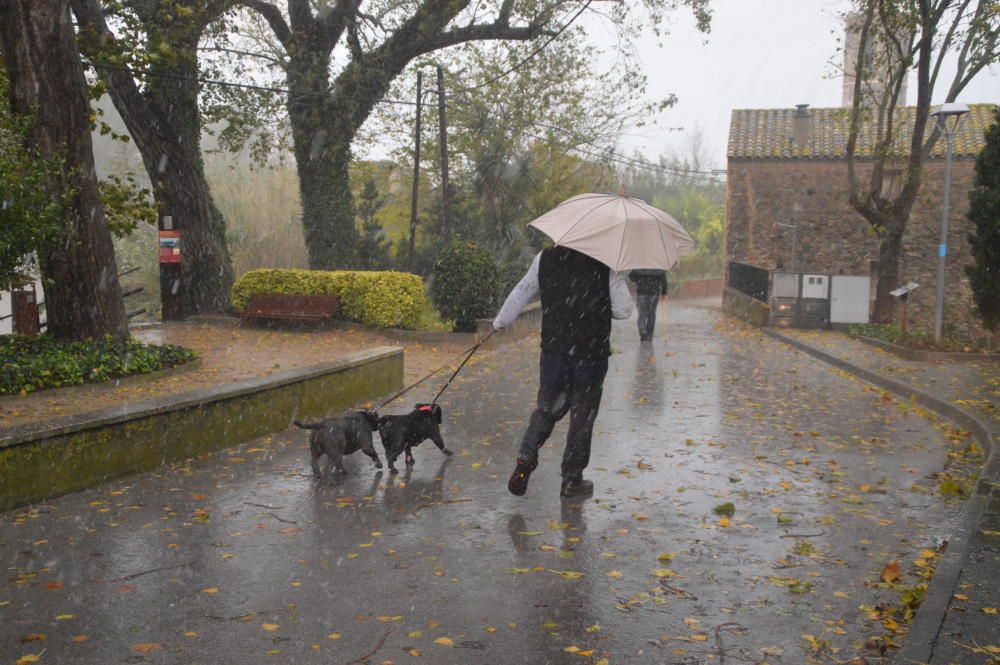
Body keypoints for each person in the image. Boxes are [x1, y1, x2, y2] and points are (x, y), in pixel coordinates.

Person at [493, 246, 633, 498]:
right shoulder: (606, 263)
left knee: (547, 409)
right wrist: (610, 285)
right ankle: (572, 480)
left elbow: (522, 291)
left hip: (554, 352)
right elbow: (623, 311)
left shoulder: (544, 258)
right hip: (590, 356)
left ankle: (527, 453)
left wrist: (500, 322)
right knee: (582, 417)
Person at [628, 269, 668, 342]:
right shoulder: (658, 266)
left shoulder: (640, 265)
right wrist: (664, 293)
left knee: (642, 314)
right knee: (651, 314)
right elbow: (663, 279)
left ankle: (643, 331)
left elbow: (631, 277)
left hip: (641, 292)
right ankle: (649, 335)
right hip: (654, 293)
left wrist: (639, 278)